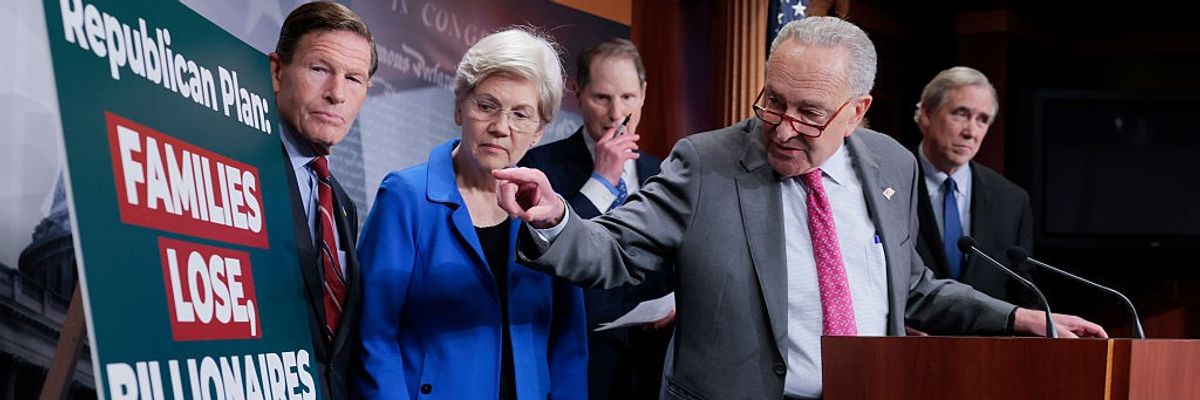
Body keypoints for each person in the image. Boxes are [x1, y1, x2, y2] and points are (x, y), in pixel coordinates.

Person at [493, 17, 1107, 399]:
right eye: (773, 101)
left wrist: (1020, 318)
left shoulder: (891, 166)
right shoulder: (706, 163)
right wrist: (554, 218)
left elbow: (911, 286)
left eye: (810, 113)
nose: (784, 128)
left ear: (857, 111)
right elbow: (616, 249)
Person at [353, 28, 588, 400]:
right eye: (486, 105)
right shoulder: (405, 197)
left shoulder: (547, 210)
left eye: (521, 114)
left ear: (539, 131)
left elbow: (568, 346)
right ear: (460, 106)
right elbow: (374, 337)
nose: (500, 128)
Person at [518, 38, 671, 400]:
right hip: (573, 363)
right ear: (577, 92)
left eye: (628, 97)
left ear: (644, 93)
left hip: (650, 366)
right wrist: (601, 181)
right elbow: (543, 259)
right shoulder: (538, 167)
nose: (617, 114)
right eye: (602, 98)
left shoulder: (664, 173)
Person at [270, 2, 376, 399]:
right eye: (319, 69)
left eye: (354, 79)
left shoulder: (343, 205)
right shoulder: (234, 171)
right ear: (277, 71)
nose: (336, 94)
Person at [912, 66, 1037, 308]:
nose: (971, 132)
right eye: (961, 114)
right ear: (926, 114)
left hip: (986, 333)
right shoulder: (890, 183)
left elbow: (1023, 294)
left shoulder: (1011, 200)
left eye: (982, 120)